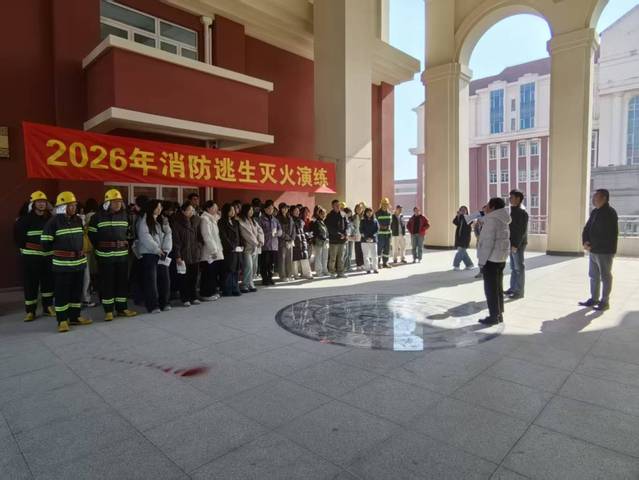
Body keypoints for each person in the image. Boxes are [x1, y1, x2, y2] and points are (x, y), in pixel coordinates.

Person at [41, 191, 93, 333]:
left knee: (76, 292)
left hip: (79, 263)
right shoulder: (53, 222)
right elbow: (45, 243)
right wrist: (59, 255)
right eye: (70, 205)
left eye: (74, 205)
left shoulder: (78, 220)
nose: (73, 207)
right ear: (62, 207)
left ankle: (75, 317)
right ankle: (62, 320)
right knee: (62, 293)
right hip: (62, 265)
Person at [88, 189, 137, 321]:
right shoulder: (97, 217)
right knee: (107, 283)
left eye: (119, 201)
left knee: (122, 282)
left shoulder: (125, 216)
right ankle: (108, 310)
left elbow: (129, 233)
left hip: (122, 255)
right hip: (105, 256)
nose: (117, 204)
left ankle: (122, 308)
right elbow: (92, 235)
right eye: (114, 202)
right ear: (107, 203)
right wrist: (101, 247)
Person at [14, 191, 54, 321]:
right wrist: (26, 251)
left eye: (43, 202)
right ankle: (31, 311)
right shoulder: (24, 219)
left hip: (47, 256)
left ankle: (48, 307)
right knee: (31, 284)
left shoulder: (50, 219)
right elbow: (18, 238)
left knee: (48, 282)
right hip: (31, 257)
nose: (42, 204)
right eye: (39, 202)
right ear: (33, 204)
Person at [579, 189, 619, 311]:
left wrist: (593, 245)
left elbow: (609, 235)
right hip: (593, 250)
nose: (593, 199)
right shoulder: (595, 212)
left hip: (605, 251)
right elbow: (587, 228)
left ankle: (605, 302)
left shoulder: (610, 213)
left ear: (604, 198)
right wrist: (585, 241)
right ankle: (594, 298)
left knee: (605, 277)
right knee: (593, 275)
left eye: (596, 197)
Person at [477, 197, 511, 325]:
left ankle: (493, 316)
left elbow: (487, 243)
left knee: (491, 289)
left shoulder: (492, 220)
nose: (485, 208)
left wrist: (482, 262)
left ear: (493, 207)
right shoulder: (503, 218)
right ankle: (499, 314)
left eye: (487, 205)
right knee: (498, 287)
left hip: (491, 259)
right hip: (500, 258)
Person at [137, 200, 172, 313]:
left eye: (160, 207)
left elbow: (168, 234)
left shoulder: (162, 220)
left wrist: (166, 249)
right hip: (150, 254)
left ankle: (165, 302)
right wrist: (156, 249)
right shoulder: (144, 221)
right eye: (157, 207)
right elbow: (145, 237)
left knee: (164, 279)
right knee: (151, 281)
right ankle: (153, 305)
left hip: (162, 253)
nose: (159, 209)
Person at [171, 201, 201, 306]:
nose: (191, 212)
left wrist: (199, 247)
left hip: (194, 253)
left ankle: (194, 296)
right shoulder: (177, 223)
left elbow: (199, 237)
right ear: (183, 211)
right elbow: (176, 241)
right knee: (184, 278)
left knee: (194, 277)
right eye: (189, 210)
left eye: (192, 210)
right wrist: (178, 256)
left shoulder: (196, 221)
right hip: (183, 254)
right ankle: (185, 298)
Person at [505, 189, 529, 299]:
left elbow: (521, 231)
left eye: (512, 197)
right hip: (512, 243)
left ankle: (519, 292)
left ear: (518, 199)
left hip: (517, 244)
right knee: (514, 268)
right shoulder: (513, 211)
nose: (509, 199)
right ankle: (513, 288)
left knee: (519, 268)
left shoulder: (522, 212)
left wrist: (515, 245)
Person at [199, 201, 223, 301]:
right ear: (208, 209)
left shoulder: (212, 218)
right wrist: (213, 249)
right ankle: (206, 293)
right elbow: (207, 236)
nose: (216, 209)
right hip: (209, 251)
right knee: (208, 272)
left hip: (215, 250)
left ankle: (212, 291)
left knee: (213, 272)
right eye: (214, 207)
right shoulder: (205, 219)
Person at [218, 203, 243, 296]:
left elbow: (239, 235)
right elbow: (223, 236)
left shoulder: (236, 222)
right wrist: (232, 247)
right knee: (228, 269)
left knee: (236, 269)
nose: (233, 212)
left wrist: (241, 245)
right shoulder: (221, 222)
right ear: (226, 211)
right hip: (228, 250)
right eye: (231, 210)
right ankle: (227, 289)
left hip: (237, 249)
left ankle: (235, 288)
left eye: (234, 210)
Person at [238, 203, 263, 292]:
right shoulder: (241, 221)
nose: (252, 212)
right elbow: (247, 235)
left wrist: (261, 241)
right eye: (250, 210)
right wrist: (256, 242)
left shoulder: (253, 220)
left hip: (255, 247)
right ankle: (244, 284)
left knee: (254, 267)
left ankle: (250, 283)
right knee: (248, 266)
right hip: (247, 247)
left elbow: (260, 230)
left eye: (252, 210)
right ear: (245, 210)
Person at [258, 200, 282, 285]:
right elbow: (259, 232)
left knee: (271, 263)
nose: (270, 210)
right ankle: (265, 279)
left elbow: (280, 229)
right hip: (265, 245)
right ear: (265, 209)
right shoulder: (260, 220)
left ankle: (270, 278)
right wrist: (269, 233)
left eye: (272, 208)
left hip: (274, 245)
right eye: (268, 208)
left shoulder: (275, 220)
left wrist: (279, 233)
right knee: (265, 263)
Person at [81, 198, 99, 308]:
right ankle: (86, 298)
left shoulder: (84, 217)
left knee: (84, 274)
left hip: (80, 249)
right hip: (87, 248)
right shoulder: (94, 216)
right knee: (86, 274)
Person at [325, 199, 348, 278]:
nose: (338, 207)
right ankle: (332, 272)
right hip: (334, 240)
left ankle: (340, 272)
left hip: (342, 240)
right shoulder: (329, 216)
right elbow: (329, 228)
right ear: (332, 206)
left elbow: (347, 225)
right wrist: (339, 234)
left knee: (341, 258)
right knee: (333, 258)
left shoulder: (343, 214)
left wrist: (345, 234)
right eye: (336, 205)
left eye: (339, 205)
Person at [290, 205, 313, 279]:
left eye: (298, 211)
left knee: (304, 257)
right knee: (295, 259)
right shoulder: (290, 220)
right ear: (292, 212)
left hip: (302, 241)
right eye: (295, 211)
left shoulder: (301, 221)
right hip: (295, 241)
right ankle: (295, 274)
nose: (297, 212)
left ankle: (307, 273)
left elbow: (303, 232)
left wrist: (307, 235)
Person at [452, 206, 474, 271]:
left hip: (465, 238)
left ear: (467, 211)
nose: (463, 211)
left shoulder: (469, 217)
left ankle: (456, 265)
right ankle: (469, 265)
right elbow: (455, 222)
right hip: (459, 237)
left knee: (460, 252)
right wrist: (458, 216)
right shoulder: (459, 217)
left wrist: (464, 216)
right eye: (461, 210)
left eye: (464, 210)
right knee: (463, 252)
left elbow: (470, 222)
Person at [276, 202, 294, 281]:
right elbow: (279, 230)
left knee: (289, 258)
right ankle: (282, 276)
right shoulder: (277, 218)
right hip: (281, 241)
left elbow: (293, 229)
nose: (285, 209)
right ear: (280, 209)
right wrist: (286, 237)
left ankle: (289, 275)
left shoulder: (290, 217)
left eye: (286, 208)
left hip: (290, 241)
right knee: (282, 259)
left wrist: (292, 238)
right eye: (283, 208)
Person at [360, 207, 379, 274]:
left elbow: (377, 230)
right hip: (364, 241)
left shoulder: (375, 220)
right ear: (365, 213)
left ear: (372, 212)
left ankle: (375, 268)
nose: (369, 213)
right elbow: (361, 230)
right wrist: (366, 238)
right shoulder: (362, 221)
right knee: (366, 255)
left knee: (374, 255)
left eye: (370, 212)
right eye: (367, 212)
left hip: (373, 240)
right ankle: (367, 269)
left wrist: (372, 237)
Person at [311, 207, 329, 277]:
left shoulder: (323, 222)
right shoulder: (316, 222)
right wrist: (324, 238)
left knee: (325, 257)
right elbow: (318, 232)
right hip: (319, 242)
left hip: (325, 242)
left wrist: (327, 238)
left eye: (325, 214)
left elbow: (326, 232)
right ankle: (319, 271)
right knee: (318, 257)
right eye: (322, 214)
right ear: (319, 214)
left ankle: (325, 270)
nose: (324, 215)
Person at [375, 197, 393, 268]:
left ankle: (385, 262)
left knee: (387, 249)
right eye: (384, 204)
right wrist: (381, 227)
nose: (385, 205)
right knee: (379, 249)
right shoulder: (377, 213)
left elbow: (391, 223)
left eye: (386, 204)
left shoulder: (389, 213)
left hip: (388, 234)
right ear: (381, 204)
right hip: (380, 234)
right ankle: (378, 263)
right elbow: (375, 223)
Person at [352, 203, 364, 270]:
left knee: (363, 250)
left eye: (360, 208)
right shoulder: (354, 217)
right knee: (357, 250)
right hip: (356, 236)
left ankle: (363, 263)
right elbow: (351, 226)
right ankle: (358, 264)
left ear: (362, 209)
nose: (359, 210)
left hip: (363, 236)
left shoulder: (364, 216)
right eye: (357, 208)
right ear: (355, 209)